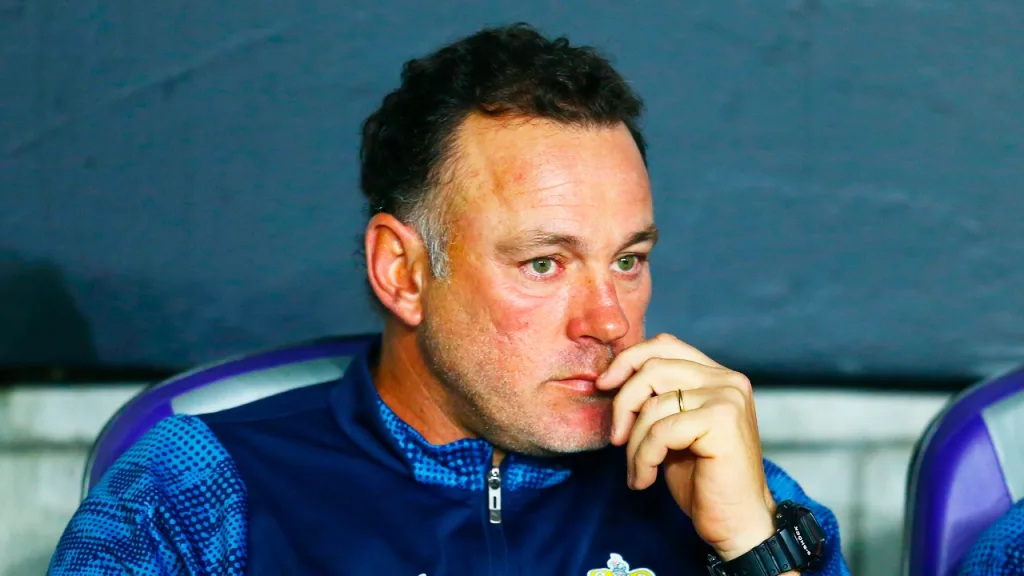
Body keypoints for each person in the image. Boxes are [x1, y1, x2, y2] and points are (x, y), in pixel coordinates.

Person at [49, 23, 851, 575]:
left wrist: (754, 549)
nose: (609, 321)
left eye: (629, 259)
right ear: (402, 272)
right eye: (544, 263)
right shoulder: (200, 488)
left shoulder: (732, 495)